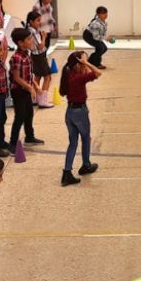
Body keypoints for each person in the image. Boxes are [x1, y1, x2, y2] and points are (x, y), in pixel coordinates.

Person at [59, 51, 102, 186]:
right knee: (86, 138)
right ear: (79, 64)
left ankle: (67, 172)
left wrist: (83, 62)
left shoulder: (69, 74)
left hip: (70, 112)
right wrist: (87, 63)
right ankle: (86, 165)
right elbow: (98, 73)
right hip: (80, 112)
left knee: (73, 142)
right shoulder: (78, 78)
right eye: (83, 62)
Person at [8, 28, 45, 151]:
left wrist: (35, 85)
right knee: (20, 116)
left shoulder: (27, 55)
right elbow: (16, 78)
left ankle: (29, 136)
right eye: (28, 39)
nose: (31, 41)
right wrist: (30, 88)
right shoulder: (17, 57)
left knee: (29, 113)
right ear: (20, 43)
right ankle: (13, 143)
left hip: (26, 89)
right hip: (18, 90)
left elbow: (28, 75)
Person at [26, 10, 54, 108]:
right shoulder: (33, 31)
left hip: (34, 56)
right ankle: (42, 100)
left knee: (37, 76)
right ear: (31, 21)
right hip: (39, 56)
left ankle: (34, 98)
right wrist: (44, 37)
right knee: (48, 77)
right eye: (38, 20)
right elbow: (40, 46)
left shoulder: (30, 30)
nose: (40, 22)